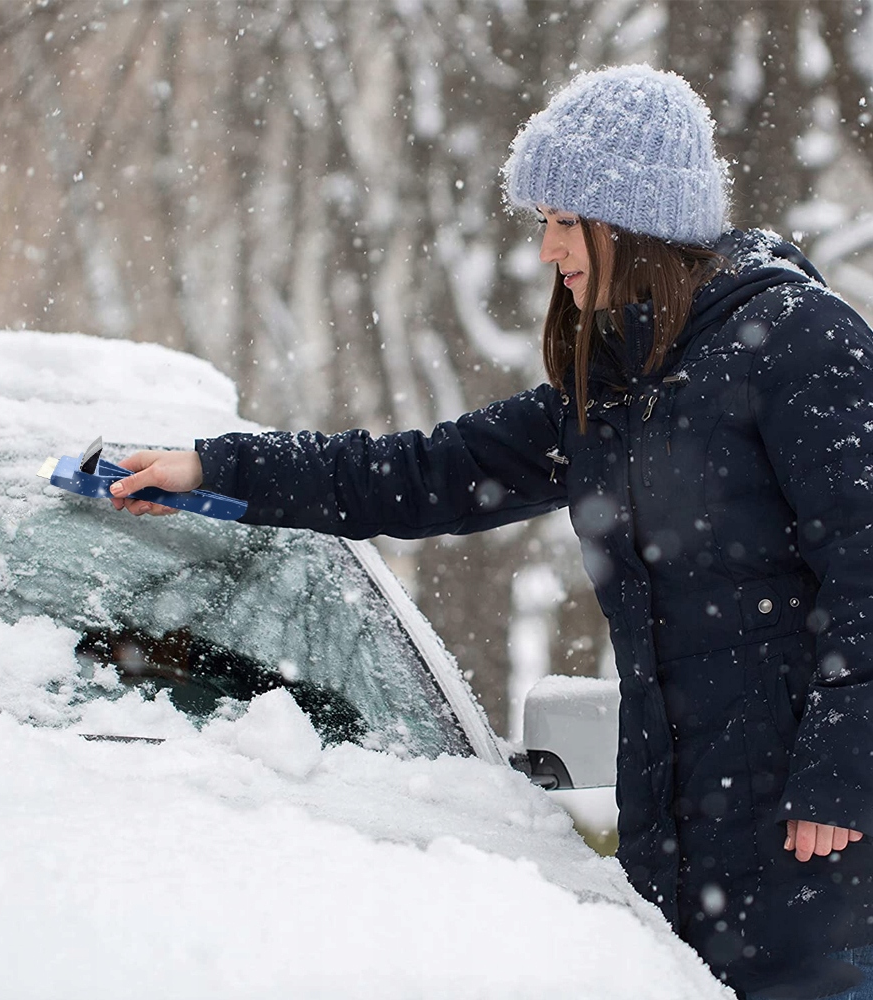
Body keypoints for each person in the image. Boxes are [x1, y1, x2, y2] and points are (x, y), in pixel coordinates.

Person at [107, 65, 872, 999]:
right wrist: (217, 469)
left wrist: (841, 780)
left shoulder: (800, 340)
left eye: (562, 221)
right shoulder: (614, 387)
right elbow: (422, 473)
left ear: (631, 218)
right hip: (677, 848)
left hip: (816, 846)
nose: (547, 249)